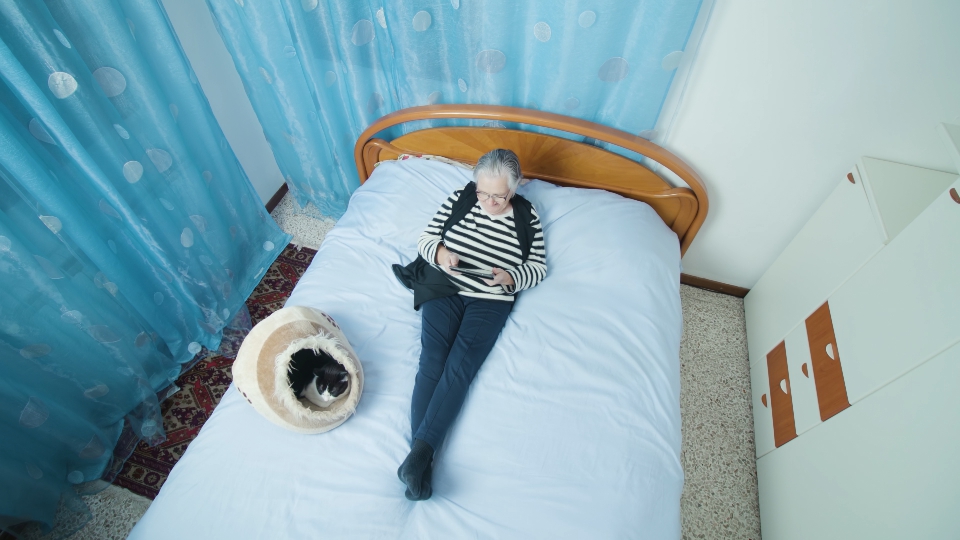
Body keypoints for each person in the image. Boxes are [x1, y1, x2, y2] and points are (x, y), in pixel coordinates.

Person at [395, 149, 547, 501]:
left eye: (499, 195)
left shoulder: (527, 216)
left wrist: (512, 276)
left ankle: (418, 459)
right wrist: (441, 254)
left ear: (515, 187)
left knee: (460, 366)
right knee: (432, 359)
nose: (490, 201)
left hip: (490, 300)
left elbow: (538, 268)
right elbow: (427, 239)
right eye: (484, 192)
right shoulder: (461, 198)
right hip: (445, 286)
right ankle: (421, 460)